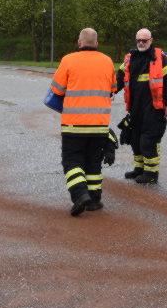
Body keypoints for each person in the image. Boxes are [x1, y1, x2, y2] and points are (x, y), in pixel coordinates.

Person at [50, 28, 117, 216]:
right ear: (96, 44)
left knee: (72, 161)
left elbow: (57, 90)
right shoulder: (107, 61)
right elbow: (113, 88)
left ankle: (80, 194)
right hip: (99, 124)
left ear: (79, 42)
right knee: (93, 163)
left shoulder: (68, 60)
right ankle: (94, 200)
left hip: (74, 123)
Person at [116, 28, 167, 184]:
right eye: (139, 40)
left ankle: (151, 173)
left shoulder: (160, 58)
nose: (141, 43)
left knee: (148, 140)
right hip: (135, 107)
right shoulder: (130, 58)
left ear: (151, 40)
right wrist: (110, 91)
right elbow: (120, 78)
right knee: (135, 139)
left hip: (154, 107)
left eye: (144, 40)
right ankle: (140, 168)